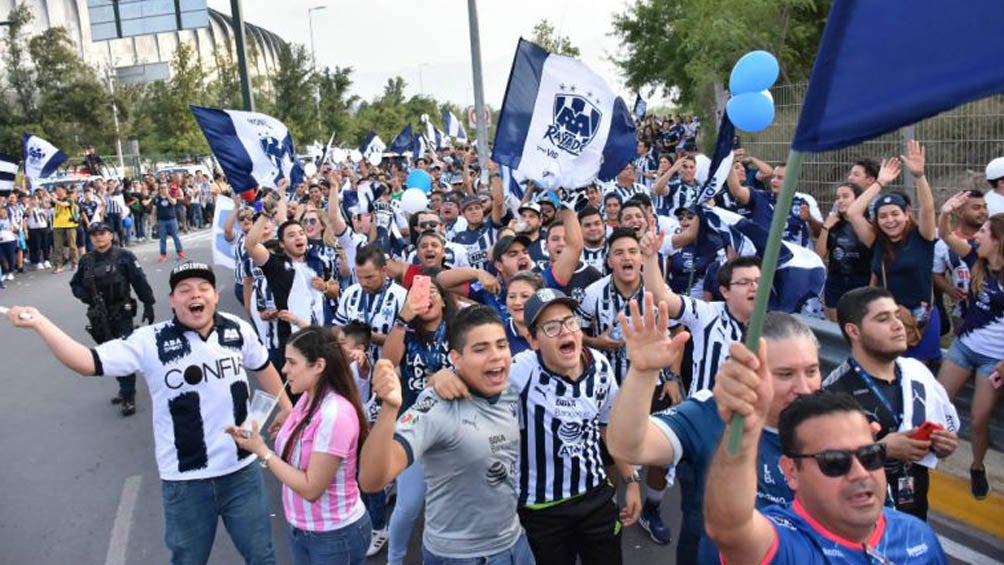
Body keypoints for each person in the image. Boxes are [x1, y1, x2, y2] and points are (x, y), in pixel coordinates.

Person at [4, 262, 293, 564]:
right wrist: (40, 323)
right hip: (186, 480)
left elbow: (262, 366)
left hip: (241, 472)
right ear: (172, 300)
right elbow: (87, 361)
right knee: (188, 560)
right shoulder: (150, 341)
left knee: (262, 556)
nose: (195, 295)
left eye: (203, 288)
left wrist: (287, 408)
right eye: (185, 290)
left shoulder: (236, 329)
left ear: (215, 295)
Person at [607, 308, 821, 565]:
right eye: (785, 374)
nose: (805, 388)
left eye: (812, 371)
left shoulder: (831, 421)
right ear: (748, 369)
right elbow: (629, 446)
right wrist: (642, 373)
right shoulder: (712, 412)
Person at [358, 306, 534, 564]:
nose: (496, 356)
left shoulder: (509, 389)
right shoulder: (437, 406)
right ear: (456, 358)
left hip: (515, 543)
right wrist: (390, 408)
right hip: (462, 556)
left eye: (501, 345)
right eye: (480, 348)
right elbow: (372, 480)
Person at [705, 386, 947, 564]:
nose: (860, 473)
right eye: (835, 462)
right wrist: (741, 430)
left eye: (869, 455)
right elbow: (729, 528)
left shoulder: (918, 536)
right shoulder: (786, 545)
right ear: (791, 471)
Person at [227, 326, 372, 565]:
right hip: (302, 527)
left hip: (334, 536)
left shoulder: (334, 414)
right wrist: (284, 430)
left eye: (292, 363)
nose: (284, 370)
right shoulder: (307, 398)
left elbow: (311, 488)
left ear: (319, 366)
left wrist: (262, 451)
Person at [824, 287, 960, 520]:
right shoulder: (832, 393)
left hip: (914, 517)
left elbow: (948, 429)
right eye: (883, 318)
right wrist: (881, 451)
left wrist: (944, 445)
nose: (898, 324)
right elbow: (823, 467)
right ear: (854, 331)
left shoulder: (918, 372)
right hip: (858, 523)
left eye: (897, 315)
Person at [379, 279, 456, 565]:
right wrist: (404, 318)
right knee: (408, 506)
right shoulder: (406, 332)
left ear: (445, 301)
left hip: (453, 428)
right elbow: (387, 362)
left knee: (447, 507)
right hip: (413, 427)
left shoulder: (460, 330)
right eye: (419, 295)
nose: (426, 298)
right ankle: (395, 559)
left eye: (432, 292)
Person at [844, 143, 939, 363]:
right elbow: (853, 212)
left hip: (921, 322)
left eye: (895, 214)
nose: (890, 220)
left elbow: (928, 209)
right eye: (883, 216)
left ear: (906, 215)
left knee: (917, 374)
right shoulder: (877, 241)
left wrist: (919, 175)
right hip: (888, 319)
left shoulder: (922, 237)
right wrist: (880, 183)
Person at [935, 195, 1004, 499]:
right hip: (963, 347)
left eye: (984, 233)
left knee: (978, 420)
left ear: (999, 241)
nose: (977, 237)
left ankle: (977, 467)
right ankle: (928, 452)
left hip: (995, 360)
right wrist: (945, 212)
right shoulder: (976, 259)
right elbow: (945, 235)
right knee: (938, 402)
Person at [69, 222, 156, 416]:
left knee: (123, 353)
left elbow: (139, 281)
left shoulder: (124, 257)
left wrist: (148, 304)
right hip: (99, 316)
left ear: (111, 235)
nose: (98, 237)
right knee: (109, 353)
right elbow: (74, 284)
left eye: (102, 233)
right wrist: (84, 294)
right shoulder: (87, 260)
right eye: (94, 235)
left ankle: (128, 395)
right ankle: (123, 386)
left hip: (121, 312)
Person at [932, 190, 987, 333]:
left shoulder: (995, 240)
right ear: (960, 212)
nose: (983, 212)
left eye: (984, 207)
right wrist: (950, 290)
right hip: (962, 312)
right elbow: (936, 273)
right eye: (976, 208)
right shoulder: (943, 244)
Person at [816, 183, 871, 321]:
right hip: (837, 280)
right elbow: (819, 254)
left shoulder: (867, 223)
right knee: (837, 328)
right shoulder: (834, 225)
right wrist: (826, 227)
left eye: (845, 196)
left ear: (858, 199)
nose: (840, 200)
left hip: (862, 280)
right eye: (838, 197)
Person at [50, 184, 80, 273]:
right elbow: (47, 206)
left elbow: (63, 205)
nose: (57, 192)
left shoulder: (69, 199)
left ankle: (75, 262)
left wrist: (54, 199)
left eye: (59, 190)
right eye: (56, 190)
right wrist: (47, 198)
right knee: (58, 246)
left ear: (64, 190)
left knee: (72, 244)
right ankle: (58, 265)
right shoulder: (55, 201)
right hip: (57, 225)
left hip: (69, 225)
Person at [154, 183, 185, 262]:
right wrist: (155, 221)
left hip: (171, 219)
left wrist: (168, 195)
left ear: (168, 188)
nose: (163, 189)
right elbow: (154, 210)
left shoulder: (171, 195)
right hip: (161, 221)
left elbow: (173, 202)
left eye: (165, 188)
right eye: (161, 188)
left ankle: (180, 252)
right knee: (162, 239)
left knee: (175, 237)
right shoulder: (157, 198)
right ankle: (163, 254)